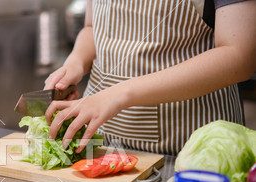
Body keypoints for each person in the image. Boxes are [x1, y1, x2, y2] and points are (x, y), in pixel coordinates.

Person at [44, 0, 256, 155]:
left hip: (189, 152)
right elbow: (93, 27)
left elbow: (239, 56)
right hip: (100, 147)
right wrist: (76, 61)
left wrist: (118, 94)